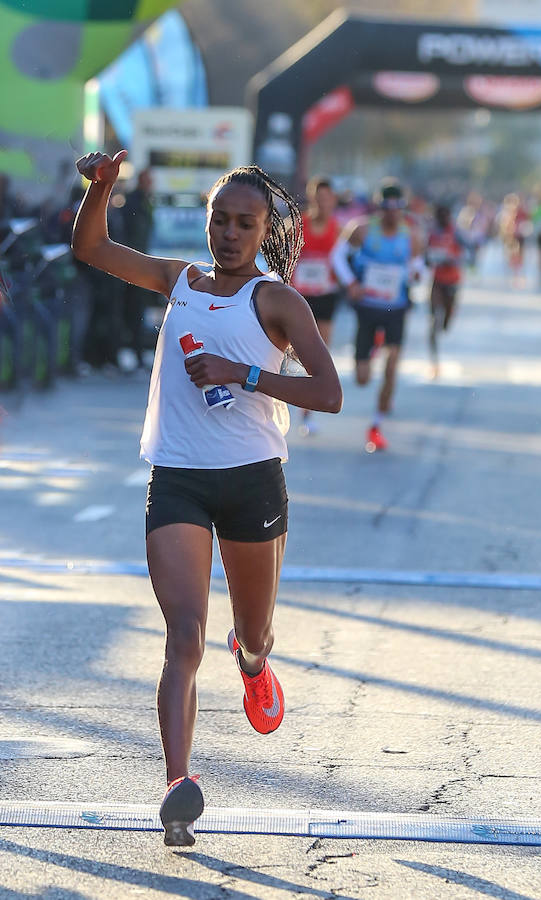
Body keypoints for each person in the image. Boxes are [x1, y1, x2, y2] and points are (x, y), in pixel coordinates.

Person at [72, 149, 342, 846]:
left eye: (244, 223)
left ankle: (252, 663)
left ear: (264, 230)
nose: (228, 233)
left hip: (252, 479)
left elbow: (328, 392)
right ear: (207, 220)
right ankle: (177, 787)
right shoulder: (180, 280)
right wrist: (101, 189)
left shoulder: (277, 301)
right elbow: (91, 247)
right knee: (183, 636)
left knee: (253, 633)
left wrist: (243, 372)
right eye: (220, 219)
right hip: (179, 478)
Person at [331, 179, 424, 452]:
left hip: (396, 308)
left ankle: (377, 424)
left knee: (392, 365)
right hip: (368, 308)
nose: (391, 213)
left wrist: (417, 274)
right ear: (378, 207)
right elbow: (337, 257)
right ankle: (372, 348)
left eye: (397, 208)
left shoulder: (411, 235)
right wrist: (351, 284)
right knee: (362, 378)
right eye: (386, 208)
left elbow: (418, 266)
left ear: (402, 209)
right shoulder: (361, 229)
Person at [291, 177, 341, 435]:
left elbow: (344, 263)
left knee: (320, 352)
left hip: (325, 296)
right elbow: (285, 258)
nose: (323, 203)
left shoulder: (338, 230)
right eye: (318, 198)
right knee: (296, 352)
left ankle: (306, 412)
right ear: (312, 199)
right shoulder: (298, 226)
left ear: (333, 200)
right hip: (300, 297)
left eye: (327, 199)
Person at [122, 167, 155, 368]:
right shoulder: (134, 202)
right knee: (133, 312)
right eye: (148, 180)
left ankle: (138, 352)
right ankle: (134, 352)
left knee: (138, 312)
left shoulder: (144, 201)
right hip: (134, 264)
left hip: (141, 263)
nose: (151, 184)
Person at [426, 204, 463, 379]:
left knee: (446, 323)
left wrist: (452, 259)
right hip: (437, 282)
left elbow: (468, 252)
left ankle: (446, 319)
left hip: (453, 281)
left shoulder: (456, 233)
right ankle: (435, 362)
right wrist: (430, 259)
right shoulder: (432, 233)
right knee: (434, 321)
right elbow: (424, 255)